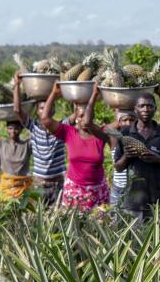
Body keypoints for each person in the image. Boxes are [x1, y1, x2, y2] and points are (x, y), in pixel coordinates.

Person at [38, 83, 110, 211]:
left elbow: (122, 122)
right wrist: (54, 94)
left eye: (87, 115)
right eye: (80, 116)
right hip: (74, 189)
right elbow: (45, 119)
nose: (84, 119)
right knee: (73, 227)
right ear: (76, 117)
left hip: (98, 190)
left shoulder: (100, 133)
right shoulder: (69, 132)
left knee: (99, 227)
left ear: (92, 115)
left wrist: (96, 95)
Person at [115, 89, 160, 222]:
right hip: (133, 201)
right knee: (135, 241)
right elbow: (118, 167)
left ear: (155, 109)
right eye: (142, 106)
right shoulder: (125, 133)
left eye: (150, 106)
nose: (146, 109)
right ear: (135, 109)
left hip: (158, 199)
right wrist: (126, 156)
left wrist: (157, 159)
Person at [13, 74, 67, 205]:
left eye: (47, 108)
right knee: (39, 220)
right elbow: (17, 110)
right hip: (39, 184)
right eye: (41, 108)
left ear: (53, 110)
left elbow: (77, 115)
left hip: (58, 183)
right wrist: (17, 85)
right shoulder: (33, 127)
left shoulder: (62, 128)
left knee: (58, 221)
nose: (45, 111)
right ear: (37, 112)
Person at [0, 119, 33, 199]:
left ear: (21, 129)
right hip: (6, 188)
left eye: (16, 128)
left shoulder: (27, 145)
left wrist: (29, 119)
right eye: (10, 128)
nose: (13, 131)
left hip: (23, 188)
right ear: (7, 129)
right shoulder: (1, 144)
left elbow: (38, 134)